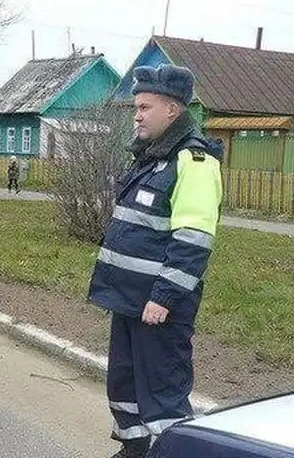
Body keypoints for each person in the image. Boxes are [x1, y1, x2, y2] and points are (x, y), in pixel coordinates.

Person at [87, 64, 223, 458]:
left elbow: (193, 240)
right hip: (129, 298)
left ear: (172, 109)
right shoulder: (150, 156)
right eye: (137, 107)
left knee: (163, 392)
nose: (137, 115)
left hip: (159, 304)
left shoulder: (194, 162)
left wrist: (163, 297)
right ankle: (135, 448)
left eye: (145, 107)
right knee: (125, 383)